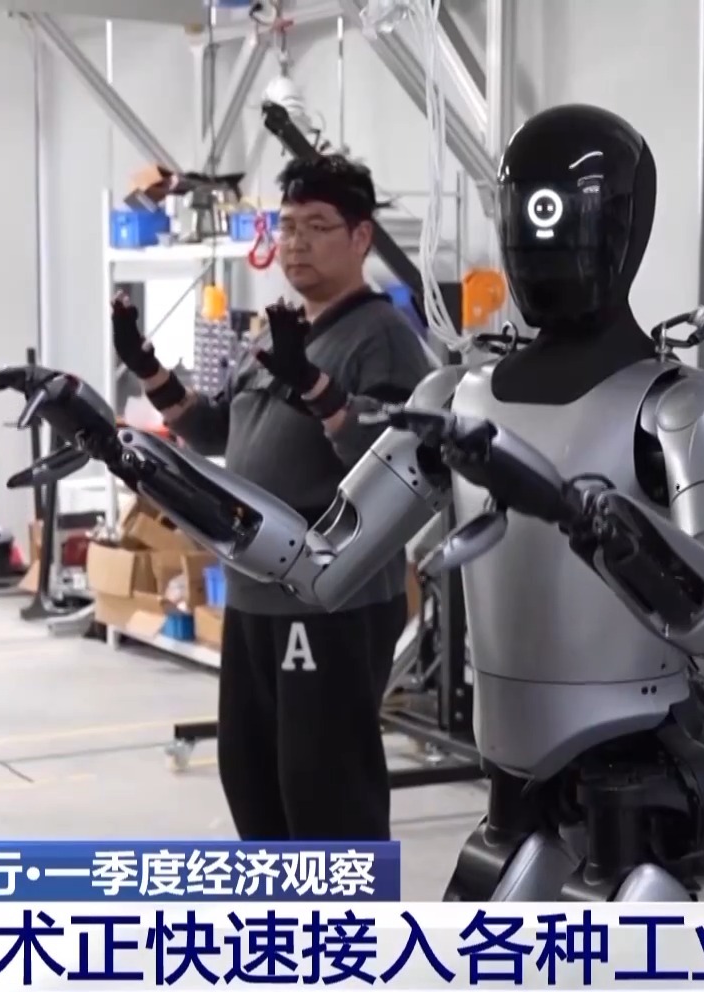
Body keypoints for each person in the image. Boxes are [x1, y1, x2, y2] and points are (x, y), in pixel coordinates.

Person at [111, 154, 433, 841]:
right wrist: (147, 368)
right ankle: (278, 910)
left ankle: (343, 913)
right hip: (255, 593)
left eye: (317, 226)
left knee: (324, 788)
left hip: (330, 601)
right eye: (287, 227)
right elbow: (214, 429)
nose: (296, 243)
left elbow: (398, 468)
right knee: (252, 776)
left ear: (361, 237)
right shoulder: (275, 332)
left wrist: (317, 388)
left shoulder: (381, 337)